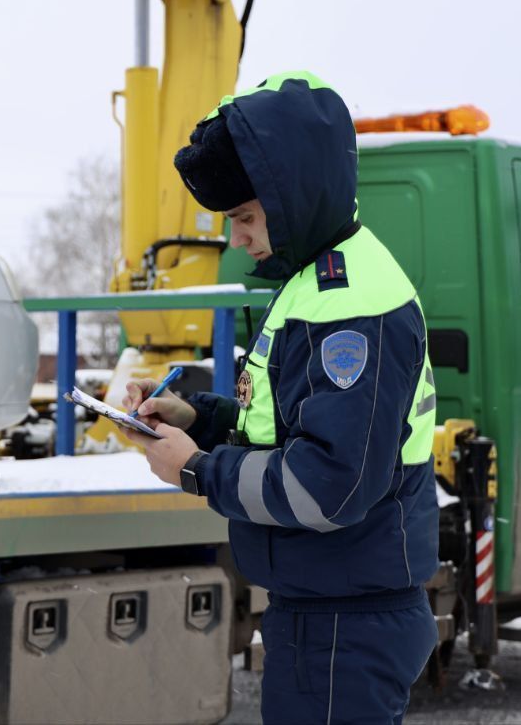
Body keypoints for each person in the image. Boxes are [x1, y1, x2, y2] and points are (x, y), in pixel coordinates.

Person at [123, 71, 439, 725]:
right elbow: (293, 428)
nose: (236, 238)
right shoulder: (315, 284)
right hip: (331, 606)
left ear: (291, 197)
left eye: (242, 216)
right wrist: (199, 421)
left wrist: (193, 469)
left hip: (344, 621)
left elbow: (329, 484)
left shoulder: (350, 307)